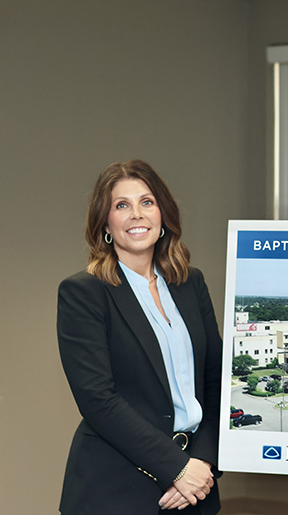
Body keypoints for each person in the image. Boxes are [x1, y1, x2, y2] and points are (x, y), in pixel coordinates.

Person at [57, 160, 223, 513]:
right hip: (116, 489)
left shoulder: (191, 283)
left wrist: (202, 462)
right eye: (122, 206)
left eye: (147, 202)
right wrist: (175, 467)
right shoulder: (84, 293)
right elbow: (98, 400)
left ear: (163, 215)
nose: (137, 215)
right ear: (105, 223)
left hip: (195, 486)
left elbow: (215, 379)